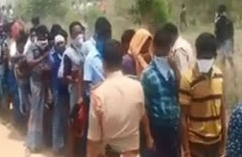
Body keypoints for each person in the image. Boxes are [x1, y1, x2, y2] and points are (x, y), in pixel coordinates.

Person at [87, 40, 149, 157]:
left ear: (103, 63)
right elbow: (141, 116)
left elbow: (93, 141)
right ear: (121, 61)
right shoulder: (137, 87)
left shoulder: (98, 94)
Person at [180, 33, 226, 157]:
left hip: (216, 143)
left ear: (215, 56)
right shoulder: (187, 79)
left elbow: (222, 110)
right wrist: (187, 150)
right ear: (197, 53)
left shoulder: (219, 76)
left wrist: (223, 143)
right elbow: (183, 117)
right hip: (196, 144)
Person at [141, 27, 181, 157]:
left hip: (175, 128)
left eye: (168, 49)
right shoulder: (148, 75)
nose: (166, 53)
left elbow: (180, 95)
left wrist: (176, 71)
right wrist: (148, 136)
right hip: (158, 129)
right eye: (163, 48)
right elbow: (144, 108)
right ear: (155, 47)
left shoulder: (172, 71)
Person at [83, 17, 112, 157]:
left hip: (112, 104)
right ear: (97, 37)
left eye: (108, 37)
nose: (106, 40)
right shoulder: (90, 59)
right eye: (103, 37)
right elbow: (87, 86)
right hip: (96, 105)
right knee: (96, 141)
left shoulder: (112, 56)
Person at [58, 21, 85, 156]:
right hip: (75, 94)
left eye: (81, 32)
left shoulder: (87, 49)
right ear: (71, 35)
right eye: (76, 33)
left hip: (87, 94)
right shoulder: (68, 53)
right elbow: (62, 75)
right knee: (74, 124)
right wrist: (73, 79)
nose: (79, 35)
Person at [26, 25, 51, 152]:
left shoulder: (47, 46)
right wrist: (43, 57)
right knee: (35, 111)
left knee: (42, 112)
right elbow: (29, 62)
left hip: (45, 82)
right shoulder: (32, 47)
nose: (44, 37)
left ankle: (39, 143)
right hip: (35, 81)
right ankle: (32, 142)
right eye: (42, 34)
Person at [50, 34, 69, 155]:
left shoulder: (67, 56)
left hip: (66, 91)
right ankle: (56, 147)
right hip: (57, 91)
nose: (61, 45)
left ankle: (64, 145)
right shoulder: (52, 58)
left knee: (65, 119)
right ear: (55, 46)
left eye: (63, 43)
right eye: (59, 44)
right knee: (57, 120)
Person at [214, 5, 235, 75]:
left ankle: (223, 73)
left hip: (221, 42)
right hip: (228, 41)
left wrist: (217, 44)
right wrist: (232, 45)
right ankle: (234, 72)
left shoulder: (217, 20)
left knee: (222, 59)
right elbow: (232, 33)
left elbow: (216, 32)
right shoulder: (229, 20)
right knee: (230, 59)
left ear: (219, 11)